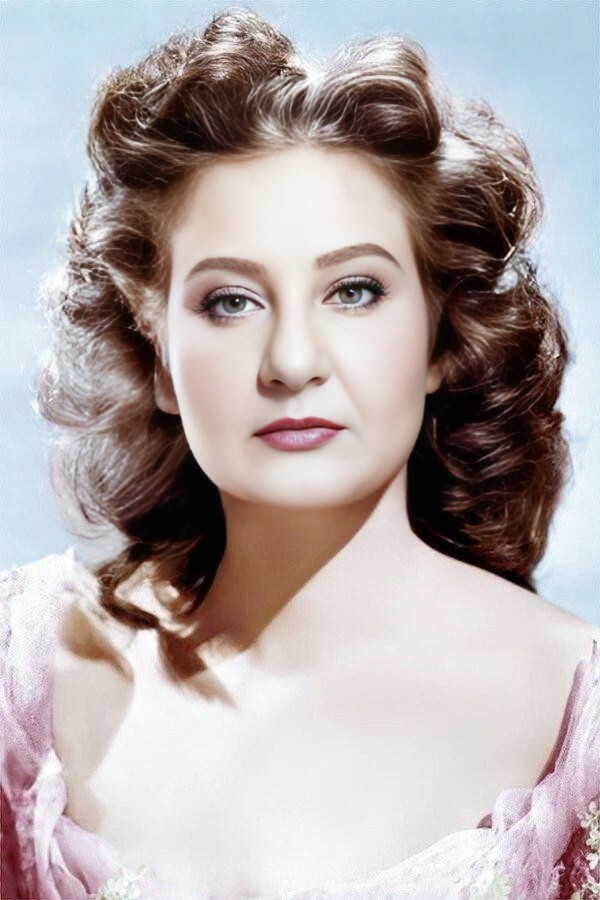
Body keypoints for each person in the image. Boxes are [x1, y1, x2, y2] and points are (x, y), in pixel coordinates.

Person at [1, 7, 598, 900]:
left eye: (353, 291)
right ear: (158, 356)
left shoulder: (576, 719)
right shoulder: (28, 681)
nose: (291, 361)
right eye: (230, 301)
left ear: (443, 337)